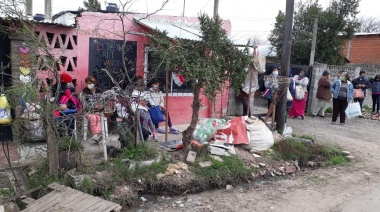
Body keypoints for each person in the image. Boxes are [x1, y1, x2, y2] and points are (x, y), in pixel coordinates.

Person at [52, 73, 81, 138]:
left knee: (70, 117)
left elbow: (75, 102)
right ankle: (60, 138)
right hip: (57, 110)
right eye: (66, 83)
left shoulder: (71, 90)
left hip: (69, 110)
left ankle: (70, 137)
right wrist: (59, 107)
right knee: (57, 120)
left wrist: (66, 105)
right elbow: (51, 100)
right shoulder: (54, 89)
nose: (68, 84)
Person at [81, 76, 103, 142]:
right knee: (93, 117)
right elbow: (84, 103)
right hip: (88, 111)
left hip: (97, 110)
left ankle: (95, 135)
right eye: (87, 83)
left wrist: (99, 108)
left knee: (98, 118)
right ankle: (95, 135)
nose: (89, 85)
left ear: (94, 83)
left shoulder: (99, 91)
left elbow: (102, 102)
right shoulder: (84, 92)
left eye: (90, 83)